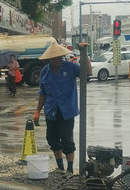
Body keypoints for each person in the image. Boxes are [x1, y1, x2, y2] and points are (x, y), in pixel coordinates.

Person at [33, 42, 91, 174]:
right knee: (52, 138)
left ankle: (70, 169)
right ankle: (60, 168)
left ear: (62, 56)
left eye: (59, 57)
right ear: (49, 59)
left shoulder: (70, 67)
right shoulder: (44, 72)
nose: (56, 59)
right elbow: (42, 93)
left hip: (67, 111)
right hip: (51, 111)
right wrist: (37, 111)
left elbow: (87, 72)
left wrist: (85, 53)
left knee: (66, 139)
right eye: (53, 57)